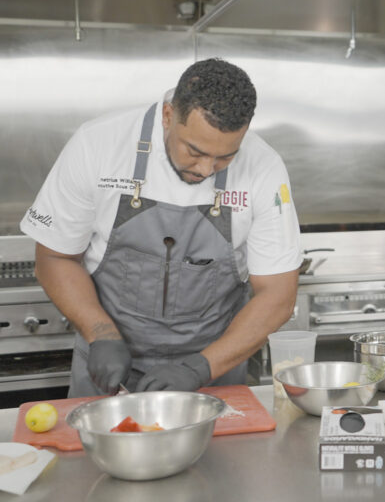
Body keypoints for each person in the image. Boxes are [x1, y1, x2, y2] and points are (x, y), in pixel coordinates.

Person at [21, 58, 301, 396]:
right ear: (168, 116)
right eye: (194, 151)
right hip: (108, 366)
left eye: (226, 157)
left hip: (213, 371)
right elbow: (54, 258)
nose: (207, 169)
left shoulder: (264, 166)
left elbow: (278, 295)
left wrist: (201, 367)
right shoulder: (98, 144)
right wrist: (100, 333)